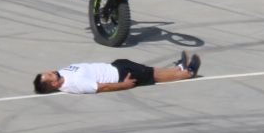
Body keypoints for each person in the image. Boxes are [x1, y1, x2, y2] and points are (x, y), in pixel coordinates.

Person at [34, 53, 201, 94]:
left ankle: (177, 69)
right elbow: (101, 87)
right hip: (120, 76)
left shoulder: (63, 74)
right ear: (53, 84)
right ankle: (187, 73)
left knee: (148, 70)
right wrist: (124, 85)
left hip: (115, 66)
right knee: (152, 76)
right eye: (49, 76)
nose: (50, 72)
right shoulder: (74, 84)